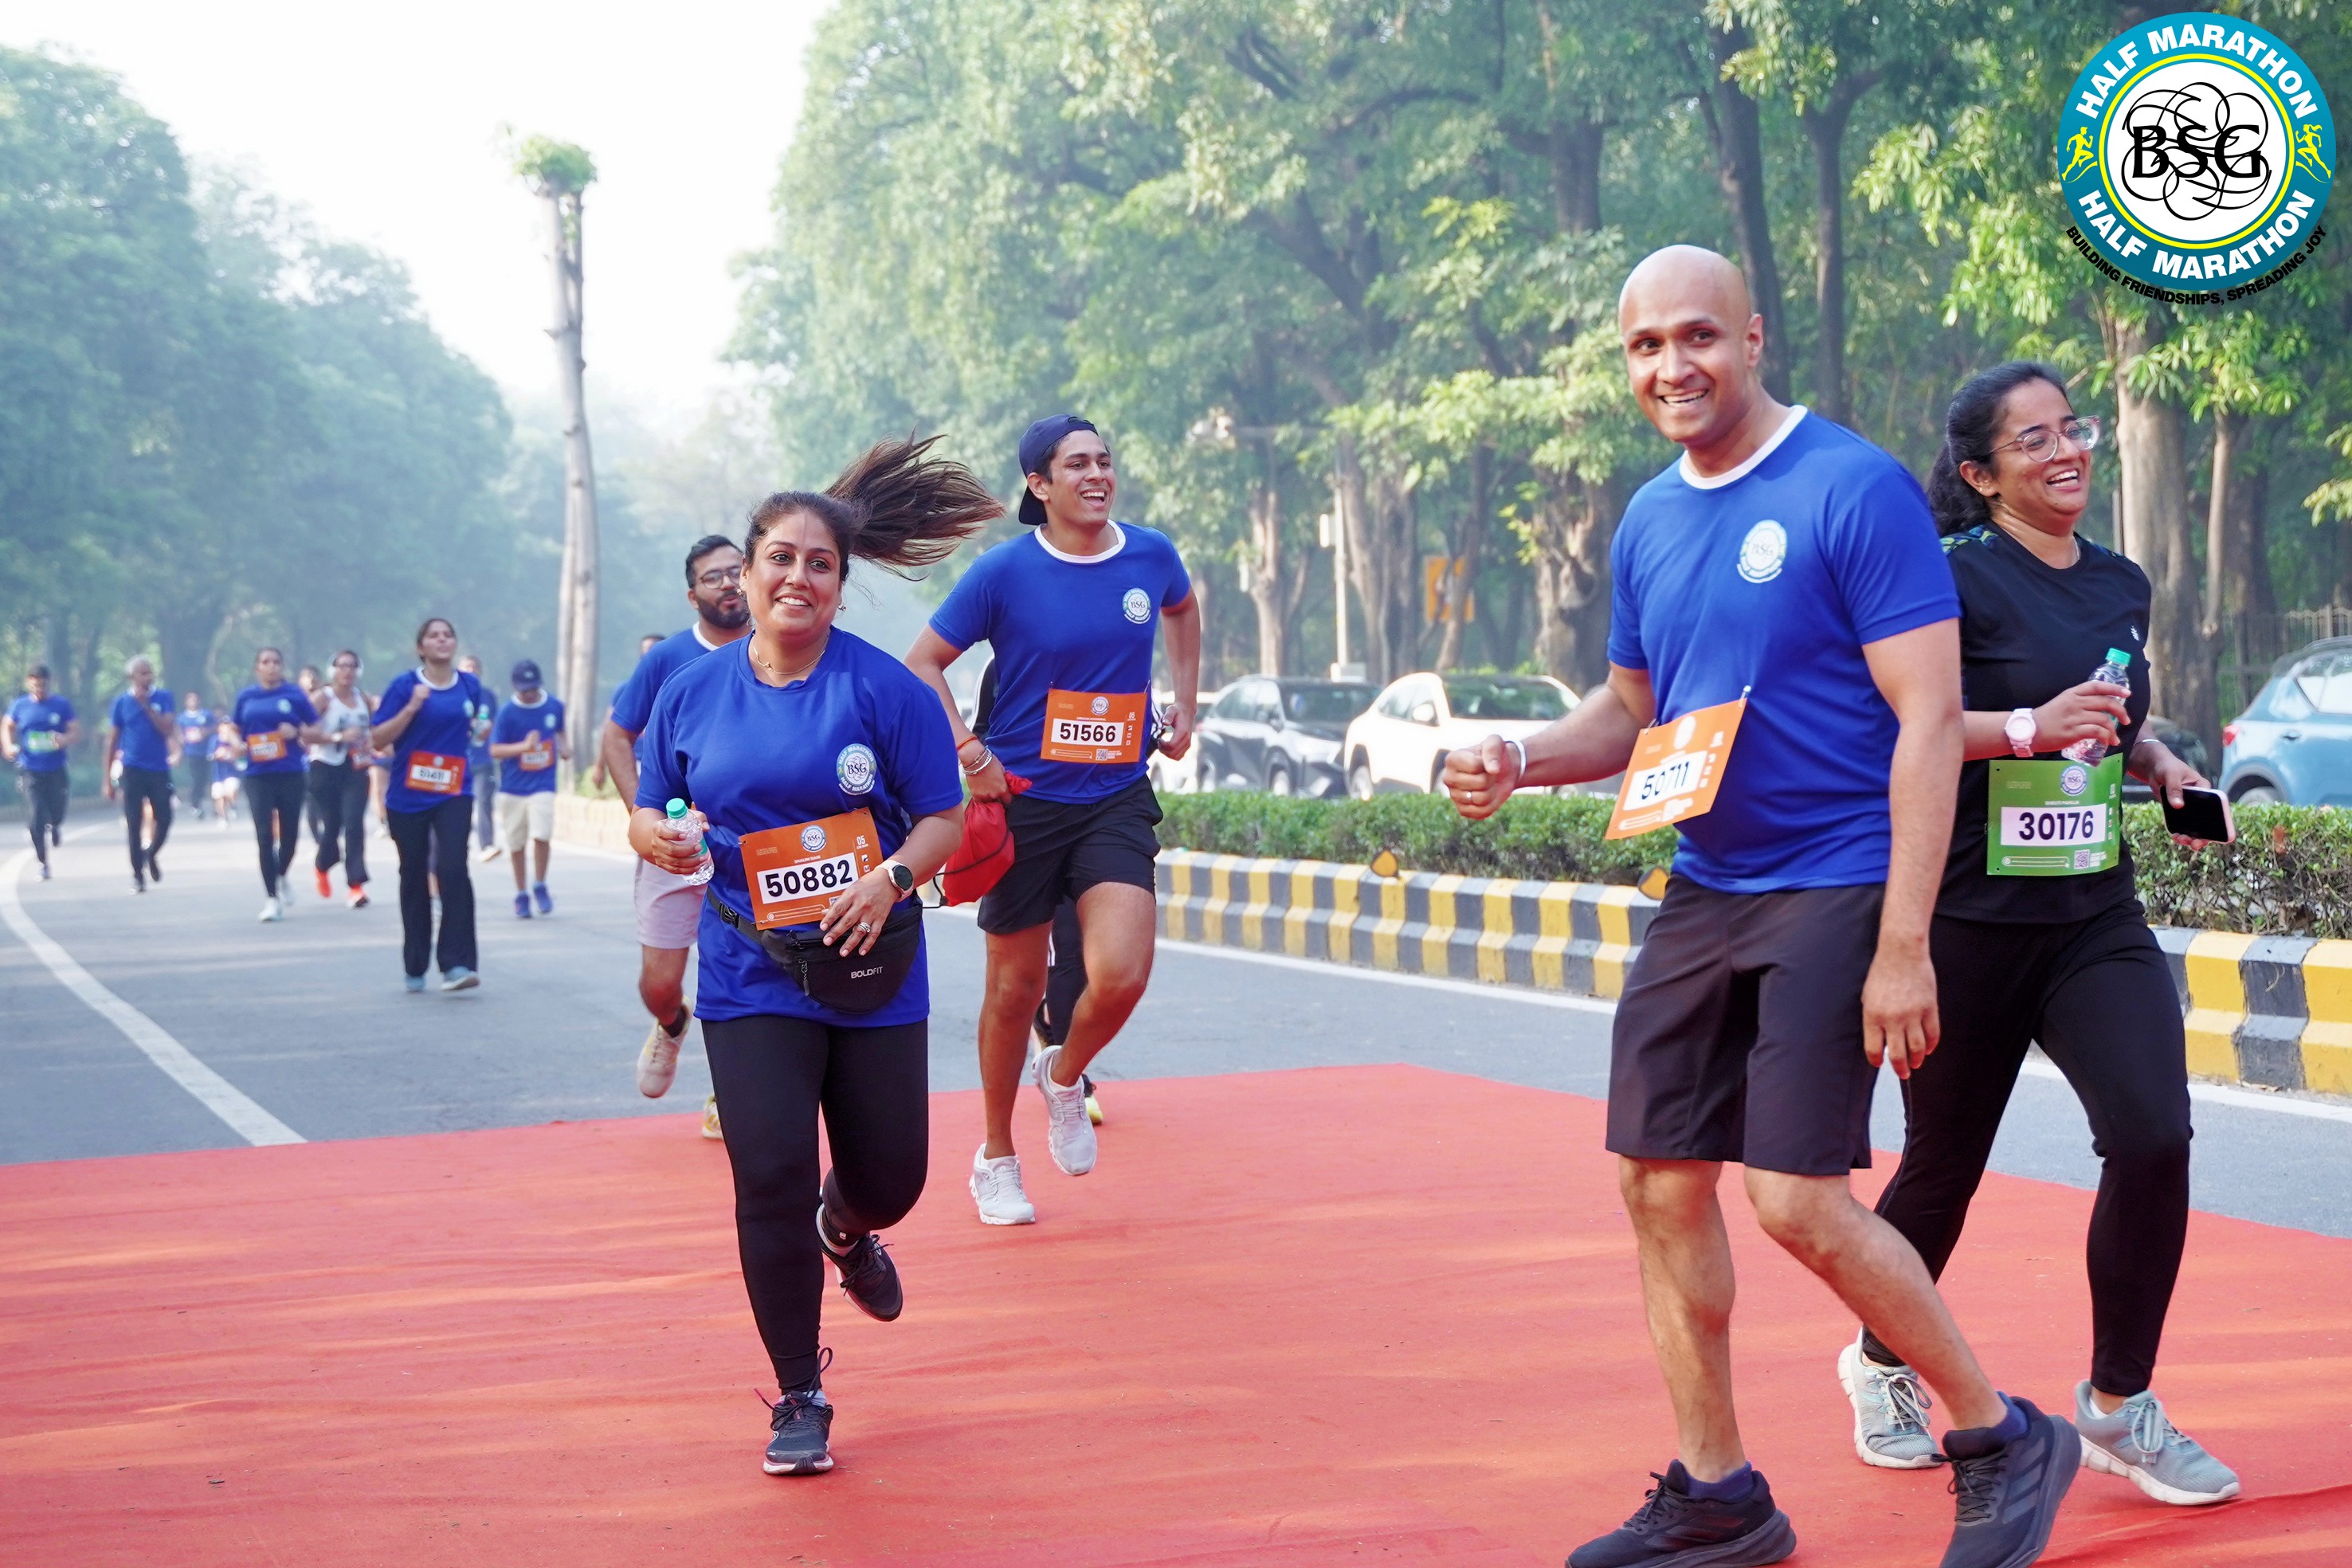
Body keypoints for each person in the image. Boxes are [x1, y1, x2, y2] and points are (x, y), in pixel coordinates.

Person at [1443, 247, 2076, 1568]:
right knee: (1655, 1178)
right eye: (1644, 347)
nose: (1671, 367)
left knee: (1793, 1199)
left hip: (1836, 882)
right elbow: (1631, 711)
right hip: (1705, 885)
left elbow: (1924, 719)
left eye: (1697, 337)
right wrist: (1518, 754)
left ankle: (1998, 1432)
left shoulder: (1849, 486)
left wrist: (1904, 944)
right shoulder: (1646, 519)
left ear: (1752, 337)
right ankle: (1719, 1492)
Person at [1830, 362, 2237, 1507]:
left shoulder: (2120, 581)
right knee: (1944, 1169)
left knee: (2154, 1136)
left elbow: (2108, 719)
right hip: (1966, 920)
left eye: (2074, 428)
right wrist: (2026, 727)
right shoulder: (1946, 577)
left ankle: (2117, 1402)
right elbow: (1900, 728)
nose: (2068, 452)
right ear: (1980, 474)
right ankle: (1879, 1362)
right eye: (2035, 439)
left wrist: (2154, 760)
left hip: (2091, 913)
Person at [629, 437, 990, 1476]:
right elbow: (653, 808)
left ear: (841, 581)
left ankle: (848, 1226)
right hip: (749, 971)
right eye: (779, 559)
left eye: (820, 564)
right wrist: (657, 837)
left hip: (870, 963)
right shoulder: (691, 693)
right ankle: (798, 1392)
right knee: (769, 1176)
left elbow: (943, 818)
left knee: (892, 1179)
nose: (799, 577)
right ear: (743, 576)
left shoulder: (885, 692)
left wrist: (891, 880)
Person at [906, 414, 1198, 1225]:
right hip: (1024, 802)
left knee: (1122, 974)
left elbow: (1182, 608)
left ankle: (1063, 1075)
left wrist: (1185, 702)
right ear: (1040, 484)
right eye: (1077, 465)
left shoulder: (1150, 555)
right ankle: (996, 1156)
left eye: (1105, 460)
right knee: (1015, 989)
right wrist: (970, 753)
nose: (1097, 474)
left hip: (1116, 795)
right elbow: (922, 663)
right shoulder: (1004, 573)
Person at [603, 533, 753, 1139]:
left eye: (735, 570)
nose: (727, 583)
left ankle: (729, 1092)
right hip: (677, 843)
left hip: (750, 845)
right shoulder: (668, 658)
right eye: (712, 577)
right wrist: (643, 818)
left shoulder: (780, 647)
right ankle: (670, 1023)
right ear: (693, 596)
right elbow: (617, 735)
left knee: (740, 975)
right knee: (661, 984)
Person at [372, 618, 491, 992]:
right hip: (408, 797)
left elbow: (475, 727)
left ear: (454, 644)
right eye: (433, 636)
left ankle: (457, 963)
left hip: (454, 791)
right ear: (420, 648)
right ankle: (415, 963)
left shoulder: (469, 685)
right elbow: (377, 739)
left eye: (448, 635)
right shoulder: (404, 686)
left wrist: (481, 731)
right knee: (413, 875)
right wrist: (411, 708)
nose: (442, 640)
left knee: (452, 868)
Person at [233, 648, 320, 922]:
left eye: (276, 662)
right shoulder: (247, 696)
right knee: (264, 835)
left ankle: (280, 873)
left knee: (289, 835)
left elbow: (316, 729)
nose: (271, 666)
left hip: (290, 772)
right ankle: (271, 898)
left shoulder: (295, 695)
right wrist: (236, 744)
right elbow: (234, 728)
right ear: (257, 668)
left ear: (283, 667)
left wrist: (297, 731)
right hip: (257, 774)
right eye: (265, 662)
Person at [489, 659, 567, 919]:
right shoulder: (507, 712)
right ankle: (521, 892)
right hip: (513, 787)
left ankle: (540, 884)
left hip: (543, 784)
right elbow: (495, 750)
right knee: (516, 843)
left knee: (542, 834)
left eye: (533, 688)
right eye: (525, 690)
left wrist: (564, 747)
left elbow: (560, 731)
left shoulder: (554, 706)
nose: (530, 694)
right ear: (515, 688)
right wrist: (523, 747)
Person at [104, 657, 178, 894]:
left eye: (150, 672)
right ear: (132, 677)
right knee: (134, 823)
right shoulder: (121, 702)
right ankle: (137, 875)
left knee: (165, 818)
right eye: (142, 673)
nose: (148, 677)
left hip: (158, 769)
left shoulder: (163, 697)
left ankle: (151, 853)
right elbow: (112, 740)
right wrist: (108, 780)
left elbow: (167, 729)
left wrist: (147, 706)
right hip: (132, 770)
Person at [308, 650, 374, 909]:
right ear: (332, 670)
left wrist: (369, 742)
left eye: (352, 666)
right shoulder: (323, 698)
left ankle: (356, 886)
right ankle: (322, 865)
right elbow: (305, 733)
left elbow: (373, 729)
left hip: (356, 768)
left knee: (354, 822)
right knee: (332, 826)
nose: (347, 671)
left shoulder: (363, 699)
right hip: (325, 767)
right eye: (342, 666)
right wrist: (337, 737)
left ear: (359, 671)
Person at [5, 664, 79, 882]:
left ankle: (55, 825)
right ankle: (43, 862)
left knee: (57, 810)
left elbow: (75, 730)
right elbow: (7, 726)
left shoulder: (61, 705)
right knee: (36, 817)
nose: (40, 689)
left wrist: (65, 739)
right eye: (36, 685)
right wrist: (8, 746)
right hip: (31, 769)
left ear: (49, 683)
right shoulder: (20, 705)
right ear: (29, 683)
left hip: (56, 768)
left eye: (43, 684)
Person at [458, 654, 501, 864]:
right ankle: (458, 846)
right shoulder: (453, 694)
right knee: (459, 806)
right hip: (458, 760)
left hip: (482, 759)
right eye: (467, 668)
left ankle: (487, 844)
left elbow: (495, 723)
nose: (471, 671)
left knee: (484, 802)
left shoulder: (488, 696)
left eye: (474, 668)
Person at [177, 690, 216, 817]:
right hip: (192, 752)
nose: (193, 702)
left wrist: (205, 732)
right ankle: (195, 803)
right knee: (196, 778)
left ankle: (215, 804)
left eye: (195, 699)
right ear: (186, 702)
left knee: (206, 778)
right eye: (190, 699)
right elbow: (178, 732)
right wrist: (182, 739)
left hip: (207, 751)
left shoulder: (206, 715)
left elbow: (215, 728)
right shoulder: (182, 718)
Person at [210, 719, 245, 824]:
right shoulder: (215, 740)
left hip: (232, 773)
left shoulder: (236, 740)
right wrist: (217, 755)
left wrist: (233, 757)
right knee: (219, 796)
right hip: (218, 774)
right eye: (223, 725)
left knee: (231, 791)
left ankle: (232, 805)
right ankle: (223, 817)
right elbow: (210, 755)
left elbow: (242, 757)